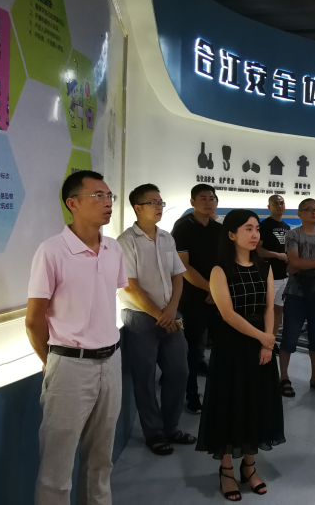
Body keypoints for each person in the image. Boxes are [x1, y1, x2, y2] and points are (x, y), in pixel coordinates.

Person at [26, 170, 128, 505]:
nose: (107, 202)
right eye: (98, 196)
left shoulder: (113, 249)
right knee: (57, 466)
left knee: (101, 459)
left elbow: (106, 298)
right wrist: (53, 361)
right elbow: (34, 320)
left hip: (111, 361)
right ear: (73, 203)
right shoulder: (52, 251)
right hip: (70, 364)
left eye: (109, 196)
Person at [196, 209, 285, 501]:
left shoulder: (264, 266)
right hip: (232, 346)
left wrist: (267, 344)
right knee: (229, 405)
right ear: (232, 234)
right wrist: (263, 338)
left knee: (256, 405)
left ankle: (249, 466)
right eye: (248, 228)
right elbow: (228, 314)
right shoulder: (220, 270)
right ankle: (226, 470)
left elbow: (269, 307)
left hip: (261, 347)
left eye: (256, 228)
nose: (255, 234)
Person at [117, 183, 196, 456]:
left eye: (161, 202)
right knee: (145, 377)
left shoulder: (166, 238)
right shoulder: (126, 242)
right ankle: (154, 433)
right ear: (138, 208)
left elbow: (177, 275)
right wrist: (160, 314)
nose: (159, 206)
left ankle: (171, 427)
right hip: (140, 318)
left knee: (179, 371)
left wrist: (172, 310)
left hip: (170, 315)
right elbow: (129, 286)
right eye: (153, 202)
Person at [172, 184, 222, 415]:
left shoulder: (219, 229)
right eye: (203, 198)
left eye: (212, 198)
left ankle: (220, 394)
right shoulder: (182, 227)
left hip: (217, 297)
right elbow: (183, 266)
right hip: (191, 297)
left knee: (221, 345)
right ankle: (191, 394)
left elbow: (224, 262)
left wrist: (218, 289)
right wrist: (210, 288)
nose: (209, 202)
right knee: (191, 349)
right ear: (192, 202)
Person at [278, 198, 315, 397]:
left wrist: (301, 264)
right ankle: (284, 377)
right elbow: (295, 262)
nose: (314, 212)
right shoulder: (293, 234)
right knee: (289, 337)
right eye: (309, 209)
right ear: (300, 214)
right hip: (296, 294)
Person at [256, 195, 290, 356]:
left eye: (282, 202)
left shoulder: (287, 227)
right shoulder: (263, 226)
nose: (279, 205)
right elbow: (257, 250)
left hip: (285, 276)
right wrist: (276, 255)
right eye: (275, 203)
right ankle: (261, 340)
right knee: (266, 310)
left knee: (278, 310)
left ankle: (272, 340)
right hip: (269, 276)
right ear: (269, 206)